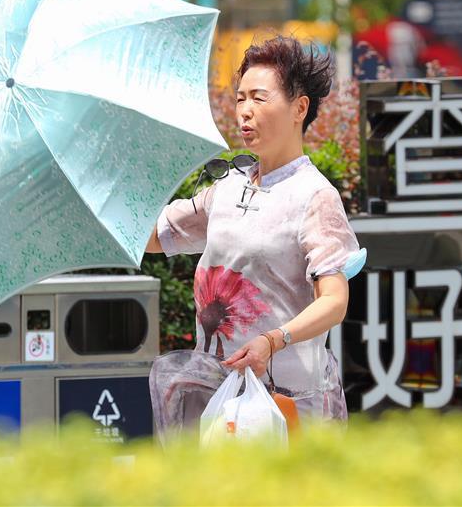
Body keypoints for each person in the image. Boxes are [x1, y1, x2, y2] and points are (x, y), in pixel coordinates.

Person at [146, 35, 359, 421]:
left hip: (289, 406)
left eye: (259, 99)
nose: (244, 111)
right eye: (240, 98)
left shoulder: (314, 196)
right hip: (218, 399)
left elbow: (334, 301)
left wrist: (273, 340)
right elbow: (153, 236)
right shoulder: (227, 189)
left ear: (300, 108)